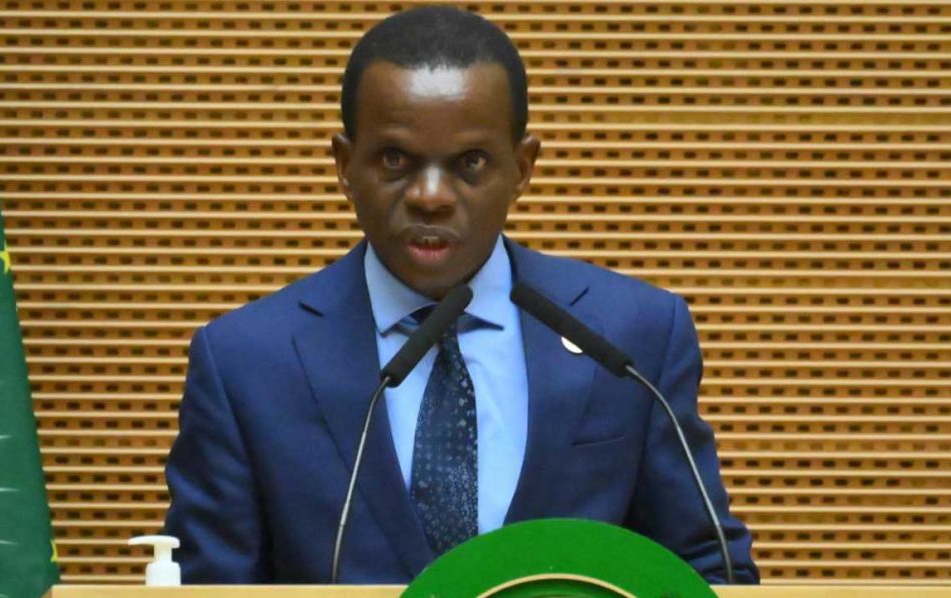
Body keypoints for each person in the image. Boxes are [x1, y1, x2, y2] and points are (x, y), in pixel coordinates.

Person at [164, 6, 759, 585]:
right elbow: (212, 586)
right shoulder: (246, 364)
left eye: (470, 162)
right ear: (345, 165)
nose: (431, 196)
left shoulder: (631, 340)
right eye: (395, 159)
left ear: (522, 167)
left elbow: (711, 575)